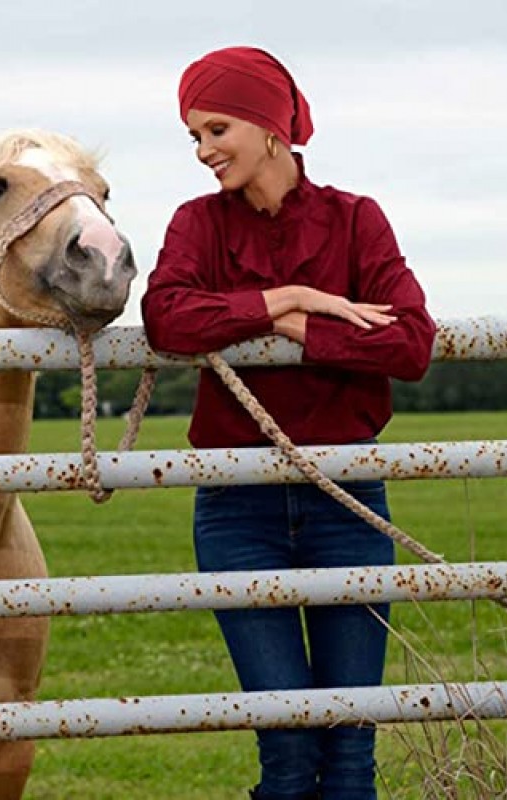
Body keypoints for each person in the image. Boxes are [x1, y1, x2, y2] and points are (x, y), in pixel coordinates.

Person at [141, 46, 437, 800]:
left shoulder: (356, 221)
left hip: (346, 499)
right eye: (194, 137)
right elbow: (166, 318)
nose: (204, 152)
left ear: (271, 126)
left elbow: (410, 340)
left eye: (216, 129)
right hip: (236, 508)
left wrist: (311, 333)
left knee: (348, 752)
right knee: (286, 749)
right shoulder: (197, 225)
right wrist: (288, 300)